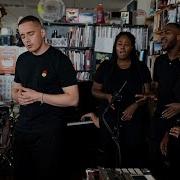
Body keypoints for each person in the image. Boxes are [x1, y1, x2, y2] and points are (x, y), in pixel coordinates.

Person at [11, 15, 79, 178]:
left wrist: (39, 96)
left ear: (42, 32)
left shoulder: (60, 60)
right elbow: (14, 90)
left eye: (31, 33)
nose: (26, 39)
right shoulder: (22, 59)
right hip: (24, 127)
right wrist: (17, 97)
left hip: (49, 131)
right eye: (23, 35)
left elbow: (73, 98)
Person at [90, 31, 152, 168]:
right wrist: (107, 96)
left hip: (134, 119)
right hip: (110, 118)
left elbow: (147, 94)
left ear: (132, 47)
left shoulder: (141, 67)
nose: (122, 47)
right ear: (115, 46)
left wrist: (135, 106)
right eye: (119, 44)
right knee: (109, 156)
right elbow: (94, 90)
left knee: (132, 157)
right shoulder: (105, 66)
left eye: (126, 45)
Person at [149, 23, 180, 180]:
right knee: (155, 166)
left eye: (167, 33)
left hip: (177, 125)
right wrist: (149, 95)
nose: (162, 37)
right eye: (161, 33)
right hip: (159, 120)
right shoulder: (159, 61)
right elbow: (156, 88)